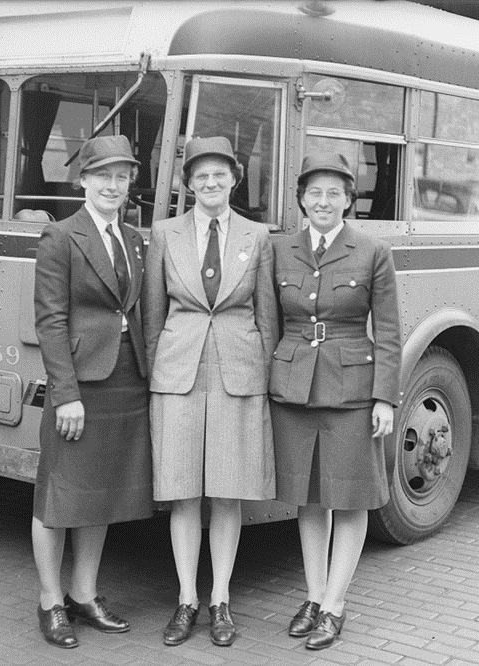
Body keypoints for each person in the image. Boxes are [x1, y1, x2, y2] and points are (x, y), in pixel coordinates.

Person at [142, 136, 278, 647]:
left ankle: (220, 598)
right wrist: (157, 371)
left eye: (220, 174)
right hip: (178, 372)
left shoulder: (257, 236)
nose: (211, 182)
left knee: (226, 490)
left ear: (235, 179)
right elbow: (151, 314)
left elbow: (267, 316)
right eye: (201, 175)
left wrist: (265, 377)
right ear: (189, 183)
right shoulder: (164, 233)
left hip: (238, 374)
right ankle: (186, 599)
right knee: (181, 491)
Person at [269, 152, 402, 650]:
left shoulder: (372, 251)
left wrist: (384, 398)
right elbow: (270, 322)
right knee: (308, 496)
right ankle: (313, 594)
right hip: (294, 389)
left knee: (349, 498)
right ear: (301, 200)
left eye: (334, 193)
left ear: (349, 200)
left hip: (351, 391)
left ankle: (335, 604)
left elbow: (389, 331)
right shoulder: (280, 250)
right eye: (314, 193)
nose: (323, 202)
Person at [32, 135, 153, 649]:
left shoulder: (133, 238)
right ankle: (50, 601)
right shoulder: (59, 236)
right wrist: (66, 395)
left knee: (101, 491)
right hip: (80, 384)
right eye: (103, 175)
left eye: (122, 176)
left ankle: (83, 593)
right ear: (82, 179)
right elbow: (50, 320)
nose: (112, 185)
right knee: (58, 493)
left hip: (126, 378)